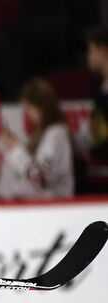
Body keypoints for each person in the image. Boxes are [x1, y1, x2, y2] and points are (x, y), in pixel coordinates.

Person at [0, 78, 74, 200]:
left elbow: (40, 178)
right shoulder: (41, 135)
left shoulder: (56, 134)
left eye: (29, 109)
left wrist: (16, 149)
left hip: (56, 211)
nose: (28, 116)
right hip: (39, 210)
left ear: (42, 107)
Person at [83, 26, 108, 193]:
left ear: (104, 51)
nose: (88, 56)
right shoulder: (99, 88)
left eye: (91, 50)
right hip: (99, 175)